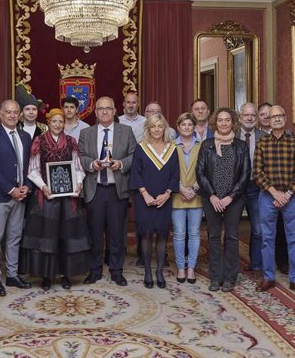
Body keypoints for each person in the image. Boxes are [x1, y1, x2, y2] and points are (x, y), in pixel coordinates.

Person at [20, 108, 91, 291]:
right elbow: (33, 169)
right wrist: (43, 186)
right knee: (47, 237)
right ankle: (46, 276)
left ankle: (66, 275)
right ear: (48, 122)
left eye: (61, 122)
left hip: (68, 199)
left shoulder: (71, 141)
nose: (58, 125)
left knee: (66, 236)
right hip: (46, 196)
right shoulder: (39, 141)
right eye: (54, 121)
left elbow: (77, 167)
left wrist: (79, 183)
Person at [79, 96, 137, 286]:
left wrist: (120, 163)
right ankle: (94, 271)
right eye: (100, 109)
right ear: (95, 113)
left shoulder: (126, 131)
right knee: (94, 233)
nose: (104, 112)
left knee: (117, 233)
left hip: (116, 190)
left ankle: (116, 271)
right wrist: (91, 164)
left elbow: (133, 155)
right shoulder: (86, 133)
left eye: (108, 109)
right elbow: (81, 155)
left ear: (114, 111)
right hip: (95, 189)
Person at [253, 105, 295, 296]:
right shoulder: (262, 143)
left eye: (280, 116)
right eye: (272, 116)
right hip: (268, 197)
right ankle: (268, 277)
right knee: (267, 239)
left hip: (291, 198)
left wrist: (287, 195)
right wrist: (275, 193)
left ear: (285, 118)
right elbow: (257, 173)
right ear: (267, 120)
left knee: (294, 240)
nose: (276, 119)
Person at [0, 99, 33, 296]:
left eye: (15, 112)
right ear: (1, 114)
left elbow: (30, 165)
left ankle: (12, 275)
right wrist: (10, 189)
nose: (12, 115)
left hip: (21, 195)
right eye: (8, 112)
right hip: (0, 196)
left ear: (19, 115)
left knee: (14, 237)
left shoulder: (25, 136)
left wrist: (26, 186)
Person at [197, 108, 250, 292]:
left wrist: (230, 197)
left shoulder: (241, 146)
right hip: (211, 199)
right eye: (220, 120)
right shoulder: (207, 145)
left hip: (233, 200)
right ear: (215, 123)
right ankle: (215, 276)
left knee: (232, 237)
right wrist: (212, 195)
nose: (224, 123)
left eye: (227, 120)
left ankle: (229, 277)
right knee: (213, 236)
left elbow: (245, 175)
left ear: (233, 122)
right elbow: (200, 173)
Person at [130, 114, 179, 289]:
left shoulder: (172, 149)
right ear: (148, 128)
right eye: (153, 126)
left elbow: (175, 174)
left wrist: (167, 194)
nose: (157, 130)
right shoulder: (141, 148)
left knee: (162, 236)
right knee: (146, 235)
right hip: (145, 198)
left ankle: (159, 271)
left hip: (164, 199)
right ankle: (148, 273)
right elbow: (135, 174)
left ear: (164, 128)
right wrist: (145, 194)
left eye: (160, 126)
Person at [171, 113, 202, 284]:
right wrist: (181, 188)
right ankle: (181, 268)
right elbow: (168, 172)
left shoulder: (202, 146)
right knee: (179, 233)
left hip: (196, 196)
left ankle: (191, 268)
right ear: (178, 127)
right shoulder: (170, 146)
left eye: (190, 124)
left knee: (195, 233)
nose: (187, 127)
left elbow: (205, 170)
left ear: (194, 126)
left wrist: (194, 189)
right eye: (184, 124)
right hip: (177, 196)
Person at [238, 102, 266, 273]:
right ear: (240, 117)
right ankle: (231, 265)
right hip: (236, 188)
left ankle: (255, 264)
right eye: (246, 115)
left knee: (258, 229)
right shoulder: (231, 135)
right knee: (232, 228)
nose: (249, 118)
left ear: (256, 118)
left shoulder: (264, 136)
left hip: (256, 187)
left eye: (252, 115)